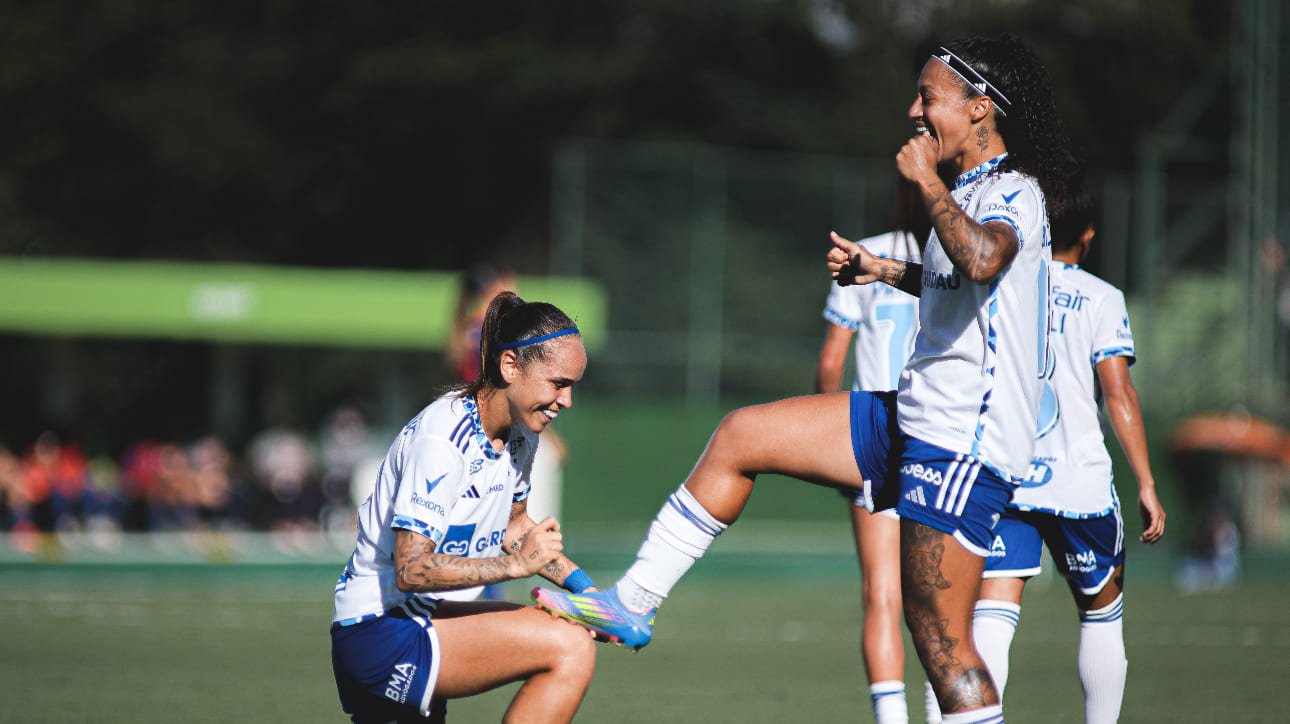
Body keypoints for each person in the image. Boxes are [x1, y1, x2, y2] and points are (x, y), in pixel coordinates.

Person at [534, 33, 1077, 723]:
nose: (914, 110)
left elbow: (982, 261)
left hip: (963, 444)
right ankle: (633, 603)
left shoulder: (1012, 191)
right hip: (915, 416)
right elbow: (955, 281)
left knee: (941, 640)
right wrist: (880, 271)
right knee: (742, 435)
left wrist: (926, 183)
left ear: (979, 109)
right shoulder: (971, 189)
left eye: (929, 98)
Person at [331, 291, 598, 724]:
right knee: (569, 646)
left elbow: (514, 529)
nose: (565, 401)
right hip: (382, 629)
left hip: (420, 619)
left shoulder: (521, 434)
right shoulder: (442, 440)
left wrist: (589, 594)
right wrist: (513, 568)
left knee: (570, 633)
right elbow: (412, 569)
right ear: (510, 366)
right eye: (558, 383)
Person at [970, 193, 1166, 723]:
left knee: (991, 616)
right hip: (1079, 483)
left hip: (1007, 478)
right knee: (1101, 618)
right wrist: (1145, 481)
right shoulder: (1101, 297)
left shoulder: (1005, 287)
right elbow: (1119, 395)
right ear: (1090, 233)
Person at [817, 180, 931, 724]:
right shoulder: (963, 259)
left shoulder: (864, 252)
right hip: (942, 435)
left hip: (876, 437)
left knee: (881, 594)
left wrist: (830, 437)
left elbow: (831, 361)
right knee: (944, 595)